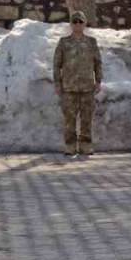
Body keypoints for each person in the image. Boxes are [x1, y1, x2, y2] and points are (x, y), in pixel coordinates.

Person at [53, 11, 103, 157]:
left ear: (85, 23)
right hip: (69, 86)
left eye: (80, 21)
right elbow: (57, 64)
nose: (78, 24)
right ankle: (70, 146)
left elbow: (98, 63)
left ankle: (86, 145)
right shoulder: (64, 42)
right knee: (69, 118)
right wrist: (57, 83)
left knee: (87, 118)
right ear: (71, 24)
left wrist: (98, 80)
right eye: (75, 21)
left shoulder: (91, 42)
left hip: (87, 86)